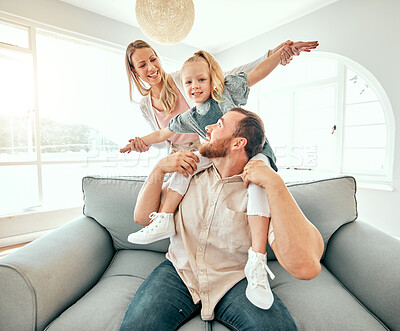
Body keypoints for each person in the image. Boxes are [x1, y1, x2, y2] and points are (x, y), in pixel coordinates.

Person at [122, 44, 318, 309]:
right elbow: (163, 135)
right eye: (189, 82)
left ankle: (257, 258)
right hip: (204, 159)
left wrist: (276, 55)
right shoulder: (189, 118)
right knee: (187, 163)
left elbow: (253, 72)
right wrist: (145, 150)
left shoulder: (225, 94)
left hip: (253, 156)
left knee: (256, 180)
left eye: (201, 80)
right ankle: (165, 218)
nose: (194, 86)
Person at [120, 108, 324, 330]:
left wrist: (276, 183)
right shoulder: (189, 174)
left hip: (233, 280)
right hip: (180, 272)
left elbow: (306, 268)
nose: (208, 128)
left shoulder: (260, 192)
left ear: (238, 143)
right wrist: (159, 169)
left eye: (219, 124)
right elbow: (142, 217)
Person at [122, 39, 317, 154]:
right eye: (142, 65)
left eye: (153, 59)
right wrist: (143, 143)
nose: (151, 67)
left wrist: (273, 55)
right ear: (134, 71)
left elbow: (236, 77)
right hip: (178, 153)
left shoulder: (185, 77)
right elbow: (162, 137)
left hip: (206, 144)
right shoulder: (147, 107)